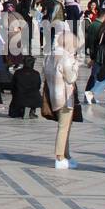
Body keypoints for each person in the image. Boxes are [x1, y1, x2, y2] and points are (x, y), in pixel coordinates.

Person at [43, 31, 81, 170]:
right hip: (64, 97)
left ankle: (66, 155)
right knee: (64, 127)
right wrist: (76, 65)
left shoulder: (50, 55)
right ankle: (60, 156)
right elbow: (71, 78)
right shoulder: (66, 58)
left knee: (65, 126)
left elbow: (45, 73)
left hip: (53, 95)